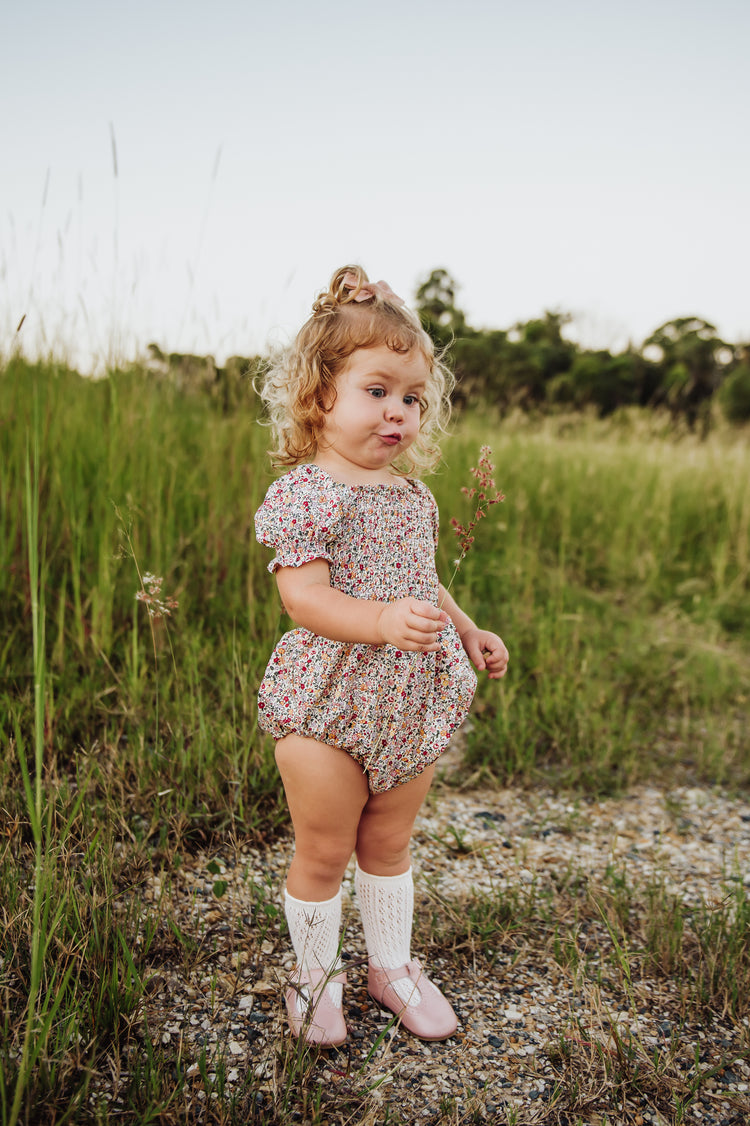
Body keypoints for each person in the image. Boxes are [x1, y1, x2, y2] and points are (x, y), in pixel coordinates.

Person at [254, 265, 509, 1047]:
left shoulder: (411, 495)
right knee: (326, 848)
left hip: (410, 695)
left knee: (389, 844)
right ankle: (315, 973)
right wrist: (379, 621)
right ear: (318, 395)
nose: (397, 412)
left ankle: (390, 966)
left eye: (411, 397)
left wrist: (463, 627)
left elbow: (421, 579)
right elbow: (305, 600)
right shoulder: (307, 494)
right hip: (329, 701)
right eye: (377, 391)